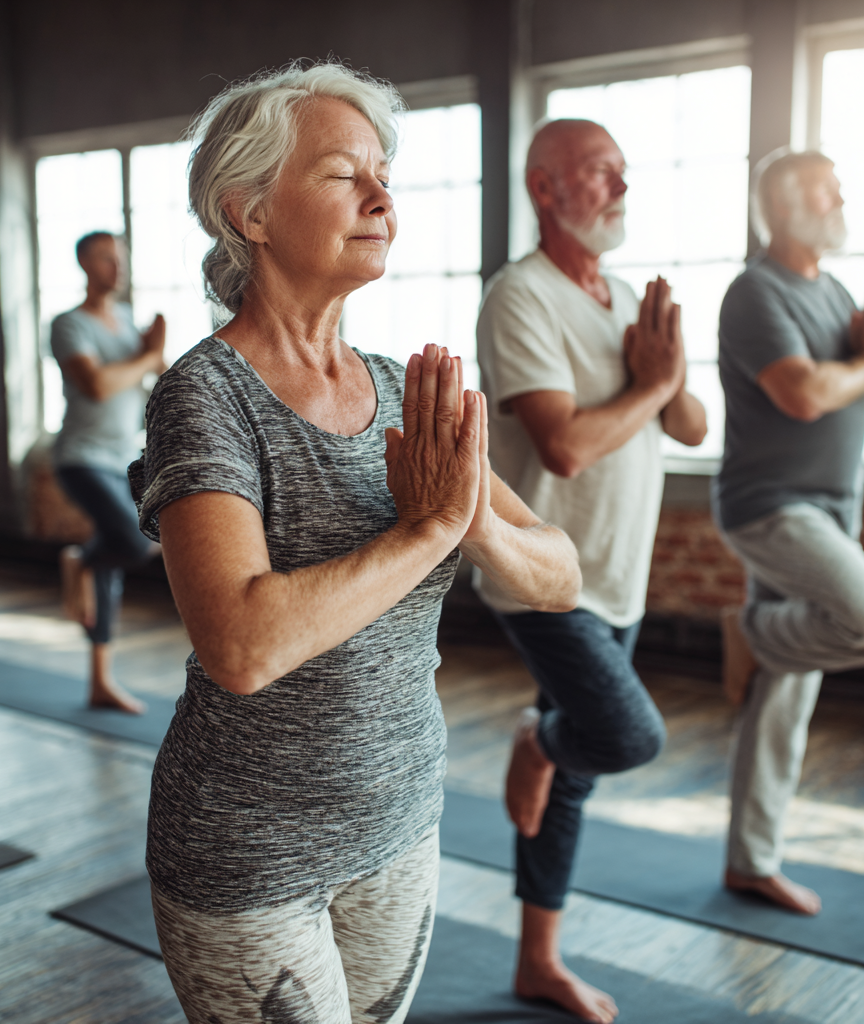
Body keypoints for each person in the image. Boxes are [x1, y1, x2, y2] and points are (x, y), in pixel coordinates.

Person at [128, 63, 581, 1024]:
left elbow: (559, 573)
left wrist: (471, 518)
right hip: (248, 851)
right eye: (345, 175)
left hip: (401, 821)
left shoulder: (401, 387)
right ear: (248, 211)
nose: (383, 200)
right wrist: (427, 531)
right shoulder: (204, 397)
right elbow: (242, 645)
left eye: (386, 177)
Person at [475, 118, 708, 1024]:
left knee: (575, 778)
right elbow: (565, 447)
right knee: (622, 737)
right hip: (542, 572)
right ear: (546, 188)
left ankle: (539, 960)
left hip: (619, 571)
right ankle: (540, 738)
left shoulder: (621, 301)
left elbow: (687, 426)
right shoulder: (520, 296)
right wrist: (648, 387)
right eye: (601, 173)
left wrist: (666, 370)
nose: (620, 188)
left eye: (623, 174)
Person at [714, 148, 864, 915]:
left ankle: (749, 861)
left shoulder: (836, 291)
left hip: (833, 509)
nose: (840, 194)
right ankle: (753, 630)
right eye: (821, 185)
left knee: (782, 706)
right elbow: (804, 395)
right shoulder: (753, 293)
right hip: (772, 508)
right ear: (780, 204)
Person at [51, 231, 165, 714]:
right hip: (81, 458)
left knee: (114, 560)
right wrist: (145, 355)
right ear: (83, 263)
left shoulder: (124, 324)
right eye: (104, 258)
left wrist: (158, 357)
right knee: (135, 541)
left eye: (121, 258)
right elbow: (97, 385)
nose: (116, 268)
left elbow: (157, 380)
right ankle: (80, 559)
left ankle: (100, 680)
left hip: (125, 459)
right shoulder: (69, 325)